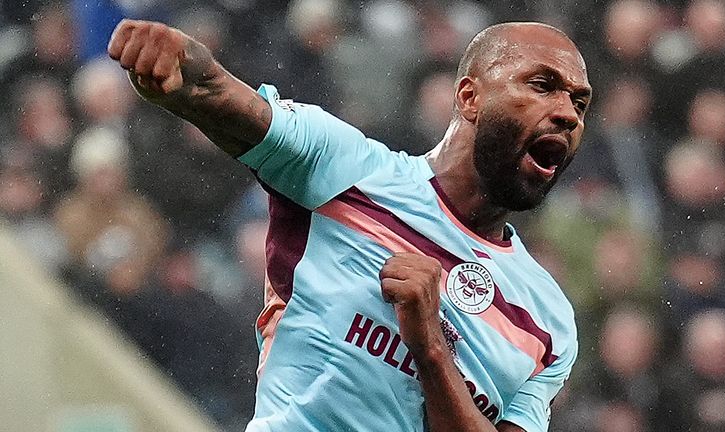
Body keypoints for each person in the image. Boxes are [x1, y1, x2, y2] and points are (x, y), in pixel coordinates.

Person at [107, 17, 591, 432]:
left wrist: (429, 345)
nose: (568, 114)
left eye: (580, 103)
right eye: (543, 85)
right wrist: (175, 60)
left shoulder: (549, 323)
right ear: (469, 97)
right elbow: (216, 92)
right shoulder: (347, 171)